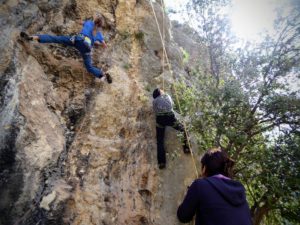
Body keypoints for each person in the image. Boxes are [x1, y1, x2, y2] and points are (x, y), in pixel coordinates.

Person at [20, 16, 112, 83]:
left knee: (55, 39)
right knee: (89, 67)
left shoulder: (88, 23)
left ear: (95, 20)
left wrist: (77, 21)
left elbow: (79, 22)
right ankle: (102, 75)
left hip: (77, 40)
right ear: (100, 26)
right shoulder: (99, 34)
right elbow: (104, 45)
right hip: (86, 48)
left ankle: (33, 37)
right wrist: (97, 43)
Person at [177, 148, 252, 225]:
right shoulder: (239, 190)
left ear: (204, 168)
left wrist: (192, 193)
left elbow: (183, 216)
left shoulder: (200, 185)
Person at [152, 88, 190, 169]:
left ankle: (161, 163)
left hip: (160, 120)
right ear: (160, 92)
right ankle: (186, 148)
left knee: (160, 140)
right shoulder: (167, 96)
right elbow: (172, 105)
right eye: (162, 90)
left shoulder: (154, 101)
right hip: (170, 118)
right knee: (183, 130)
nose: (163, 91)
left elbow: (155, 111)